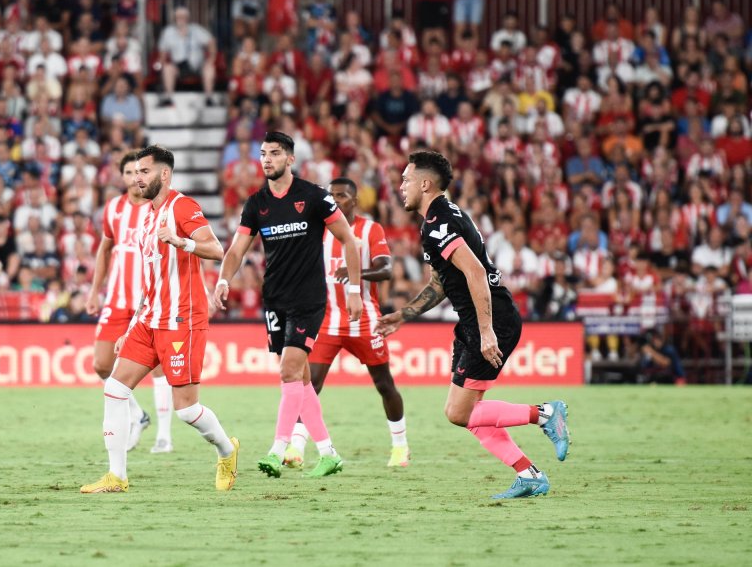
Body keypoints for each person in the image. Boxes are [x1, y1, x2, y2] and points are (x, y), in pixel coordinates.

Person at [376, 151, 570, 499]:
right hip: (476, 321)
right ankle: (528, 473)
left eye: (406, 179)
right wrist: (405, 315)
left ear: (425, 183)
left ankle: (545, 415)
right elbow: (441, 284)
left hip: (490, 319)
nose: (400, 186)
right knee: (466, 414)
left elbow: (476, 272)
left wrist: (485, 331)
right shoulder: (439, 218)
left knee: (459, 411)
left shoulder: (440, 223)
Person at [80, 145, 239, 493]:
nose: (138, 178)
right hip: (149, 319)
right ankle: (117, 476)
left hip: (182, 320)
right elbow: (152, 279)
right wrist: (134, 322)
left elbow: (215, 249)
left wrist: (182, 242)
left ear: (163, 174)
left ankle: (227, 450)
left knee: (186, 410)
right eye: (135, 172)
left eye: (144, 172)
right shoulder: (148, 216)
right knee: (114, 387)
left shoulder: (183, 206)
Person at [211, 132, 363, 479]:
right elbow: (236, 250)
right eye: (263, 154)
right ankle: (328, 452)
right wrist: (223, 280)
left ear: (290, 159)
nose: (266, 159)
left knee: (288, 372)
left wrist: (354, 289)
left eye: (274, 153)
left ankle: (278, 449)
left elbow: (348, 240)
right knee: (301, 379)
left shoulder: (314, 196)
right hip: (275, 300)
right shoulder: (257, 203)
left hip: (308, 299)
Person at [293, 177, 409, 468]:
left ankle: (400, 446)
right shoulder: (318, 230)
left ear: (355, 201)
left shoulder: (370, 229)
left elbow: (385, 269)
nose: (335, 200)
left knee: (384, 383)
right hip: (328, 320)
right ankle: (295, 448)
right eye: (331, 195)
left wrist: (358, 273)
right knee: (310, 383)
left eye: (342, 195)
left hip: (364, 319)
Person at [85, 151, 173, 454]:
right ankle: (139, 415)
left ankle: (164, 437)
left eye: (140, 172)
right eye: (129, 173)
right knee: (101, 364)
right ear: (122, 177)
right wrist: (95, 290)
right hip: (116, 300)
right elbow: (105, 250)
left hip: (148, 302)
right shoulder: (113, 209)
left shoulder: (157, 208)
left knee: (158, 370)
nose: (135, 178)